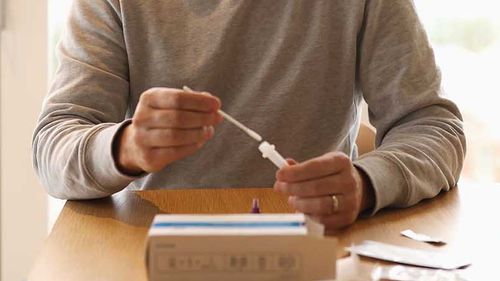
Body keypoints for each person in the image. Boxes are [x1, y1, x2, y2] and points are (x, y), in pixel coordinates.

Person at [32, 0, 466, 230]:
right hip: (153, 250)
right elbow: (53, 147)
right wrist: (124, 147)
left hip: (314, 246)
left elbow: (433, 126)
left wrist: (367, 183)